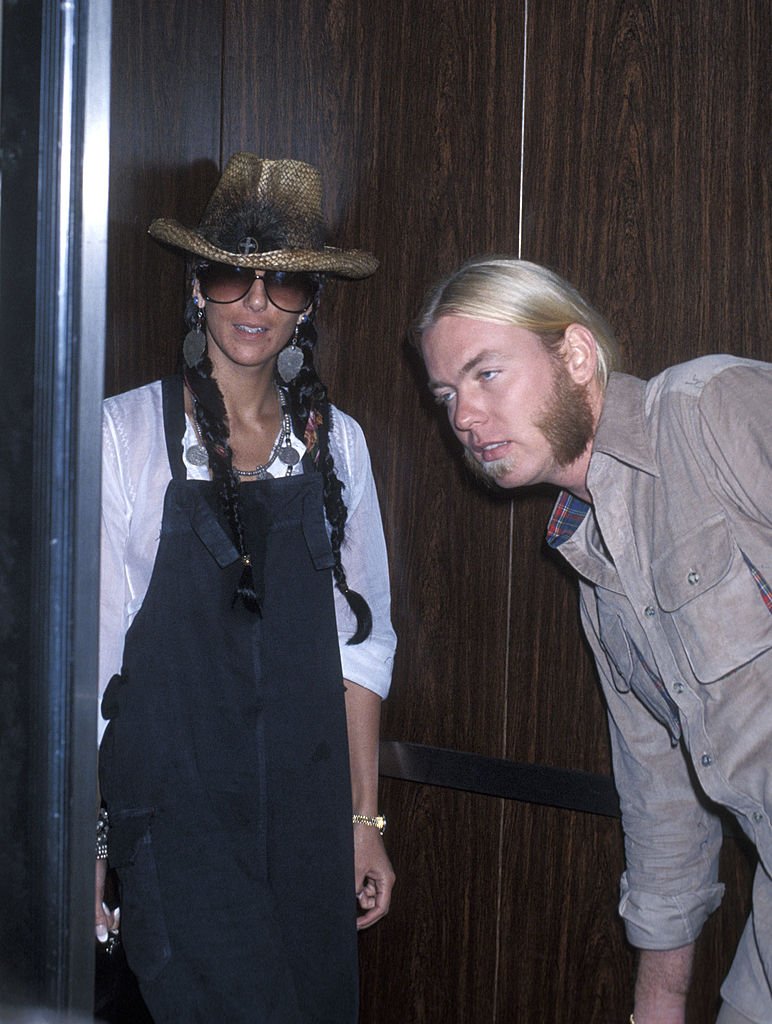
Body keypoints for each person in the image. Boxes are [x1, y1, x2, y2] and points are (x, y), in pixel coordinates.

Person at [416, 256, 771, 1024]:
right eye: (447, 394)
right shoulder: (594, 564)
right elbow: (663, 798)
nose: (464, 419)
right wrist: (658, 1004)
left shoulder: (710, 409)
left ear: (574, 355)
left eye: (485, 375)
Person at [94, 153, 397, 1024]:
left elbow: (362, 644)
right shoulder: (124, 437)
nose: (256, 304)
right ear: (197, 286)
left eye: (285, 283)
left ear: (312, 302)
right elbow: (95, 656)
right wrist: (91, 843)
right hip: (178, 827)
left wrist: (363, 821)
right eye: (233, 275)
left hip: (306, 819)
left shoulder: (340, 445)